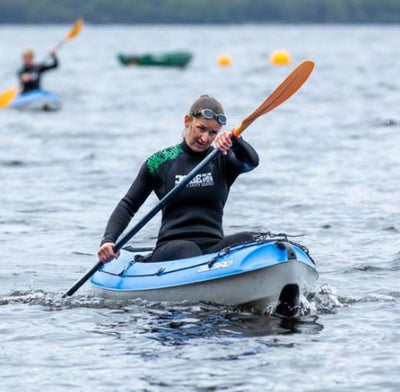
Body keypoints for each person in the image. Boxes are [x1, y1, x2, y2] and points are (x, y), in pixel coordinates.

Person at [98, 95, 260, 263]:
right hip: (172, 249)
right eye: (201, 128)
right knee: (187, 249)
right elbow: (128, 205)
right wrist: (108, 240)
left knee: (252, 238)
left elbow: (251, 162)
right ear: (187, 121)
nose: (205, 138)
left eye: (213, 133)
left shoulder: (222, 159)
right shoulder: (160, 162)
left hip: (212, 248)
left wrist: (236, 141)